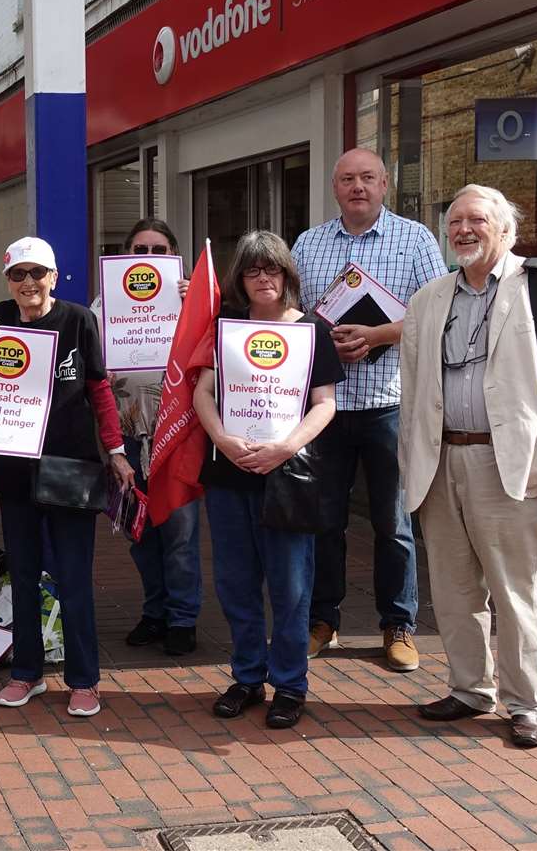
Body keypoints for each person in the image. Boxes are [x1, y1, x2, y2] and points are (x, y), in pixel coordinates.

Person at [400, 185, 537, 749]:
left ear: (505, 229)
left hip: (509, 462)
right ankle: (469, 689)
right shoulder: (429, 298)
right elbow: (414, 390)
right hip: (440, 464)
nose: (463, 229)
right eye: (455, 220)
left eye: (477, 220)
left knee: (514, 592)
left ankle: (526, 701)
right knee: (455, 589)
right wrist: (411, 460)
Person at [291, 148, 444, 672]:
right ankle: (322, 620)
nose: (358, 187)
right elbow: (294, 318)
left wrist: (380, 334)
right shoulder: (308, 244)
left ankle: (398, 625)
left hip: (389, 404)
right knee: (324, 521)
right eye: (347, 179)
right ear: (334, 187)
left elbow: (437, 314)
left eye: (368, 179)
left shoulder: (417, 239)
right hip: (325, 407)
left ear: (385, 184)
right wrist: (323, 341)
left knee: (393, 523)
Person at [193, 231, 342, 730]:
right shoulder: (224, 328)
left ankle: (291, 686)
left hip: (288, 476)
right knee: (236, 583)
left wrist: (285, 446)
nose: (263, 278)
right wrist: (223, 439)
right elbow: (202, 393)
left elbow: (326, 404)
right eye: (253, 270)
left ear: (287, 275)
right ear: (239, 278)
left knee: (291, 588)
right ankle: (248, 677)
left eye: (272, 269)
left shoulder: (313, 331)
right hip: (230, 472)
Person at [0, 237, 132, 719]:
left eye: (37, 273)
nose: (28, 283)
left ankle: (84, 680)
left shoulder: (77, 319)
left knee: (73, 577)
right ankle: (26, 673)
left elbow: (99, 388)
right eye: (18, 274)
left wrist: (115, 450)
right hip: (14, 469)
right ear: (8, 279)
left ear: (54, 276)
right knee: (23, 575)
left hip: (70, 465)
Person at [101, 219, 203, 657]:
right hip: (127, 437)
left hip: (176, 432)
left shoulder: (194, 303)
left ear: (173, 254)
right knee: (140, 530)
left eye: (159, 249)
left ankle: (182, 618)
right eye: (140, 247)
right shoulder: (102, 302)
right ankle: (154, 611)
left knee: (179, 531)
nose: (149, 255)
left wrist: (193, 305)